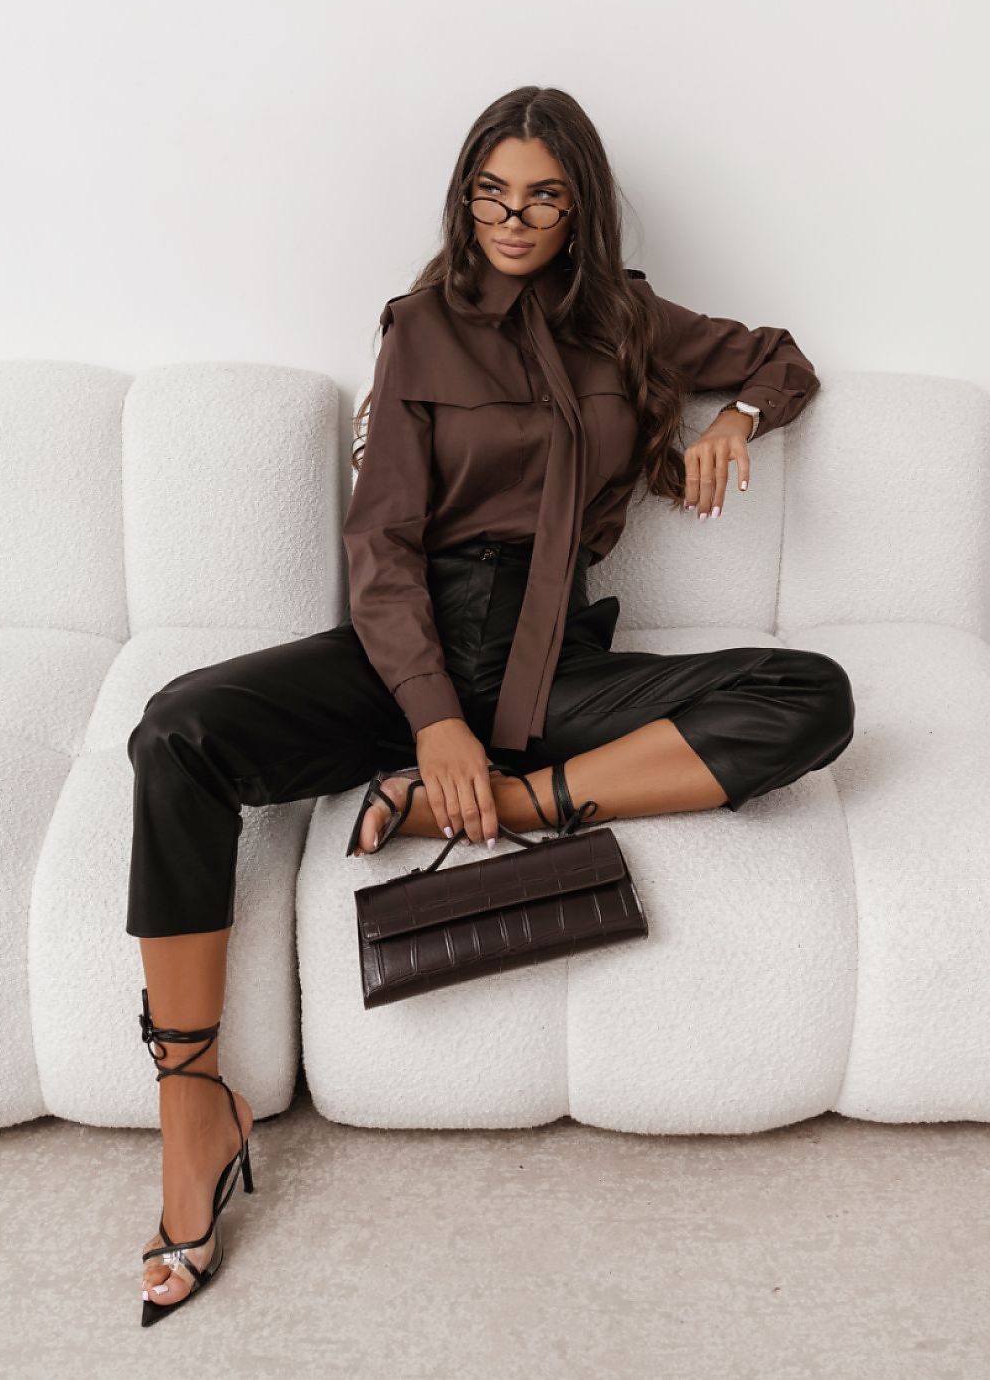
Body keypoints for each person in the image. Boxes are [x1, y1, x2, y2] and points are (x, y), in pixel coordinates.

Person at [125, 84, 856, 1321]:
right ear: (465, 197)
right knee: (177, 730)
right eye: (491, 193)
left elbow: (783, 365)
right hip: (410, 650)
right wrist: (434, 719)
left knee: (811, 695)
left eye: (543, 197)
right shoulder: (418, 328)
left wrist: (728, 420)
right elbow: (381, 545)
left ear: (579, 209)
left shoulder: (627, 321)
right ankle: (192, 1105)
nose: (513, 219)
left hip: (552, 663)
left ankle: (494, 805)